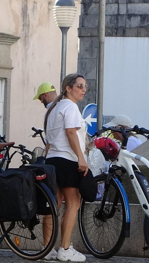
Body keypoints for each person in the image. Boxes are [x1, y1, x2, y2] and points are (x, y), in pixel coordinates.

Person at [44, 74, 88, 262]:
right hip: (67, 159)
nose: (83, 89)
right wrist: (81, 157)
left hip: (53, 160)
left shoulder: (55, 108)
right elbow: (71, 132)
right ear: (68, 88)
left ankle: (47, 249)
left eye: (85, 86)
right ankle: (65, 248)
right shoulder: (70, 107)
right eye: (79, 86)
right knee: (73, 203)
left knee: (54, 205)